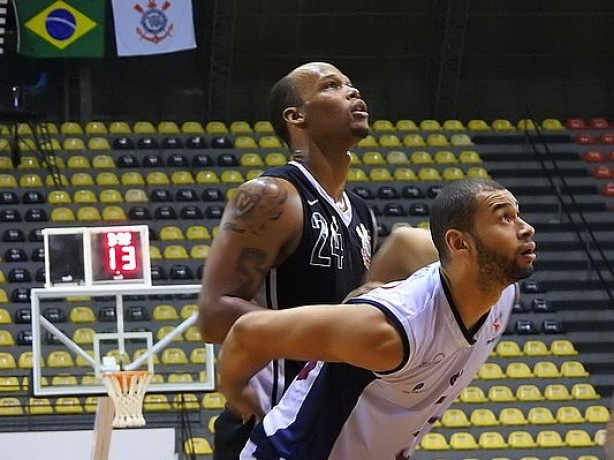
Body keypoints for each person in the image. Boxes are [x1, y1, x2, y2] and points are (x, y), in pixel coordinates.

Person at [197, 61, 438, 459]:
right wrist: (327, 331)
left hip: (333, 425)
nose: (352, 92)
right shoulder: (270, 195)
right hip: (271, 427)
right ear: (296, 116)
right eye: (331, 86)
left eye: (351, 85)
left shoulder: (361, 212)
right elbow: (214, 314)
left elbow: (353, 313)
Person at [218, 178, 537, 459]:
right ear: (458, 243)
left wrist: (371, 283)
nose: (526, 228)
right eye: (504, 218)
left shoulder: (501, 293)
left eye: (518, 214)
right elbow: (249, 332)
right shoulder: (389, 332)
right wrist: (237, 396)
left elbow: (404, 242)